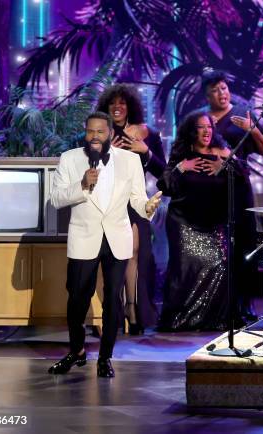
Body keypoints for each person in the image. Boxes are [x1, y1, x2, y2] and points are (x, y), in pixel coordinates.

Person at [48, 112, 162, 377]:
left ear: (110, 133)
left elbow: (136, 199)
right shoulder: (70, 159)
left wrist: (147, 207)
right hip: (84, 237)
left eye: (101, 132)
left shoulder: (130, 160)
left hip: (116, 238)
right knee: (77, 298)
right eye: (91, 132)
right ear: (85, 133)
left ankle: (104, 358)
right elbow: (56, 199)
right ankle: (76, 351)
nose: (95, 136)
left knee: (113, 300)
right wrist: (82, 185)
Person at [196, 70, 263, 321]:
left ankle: (244, 304)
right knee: (215, 247)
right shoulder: (201, 118)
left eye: (225, 88)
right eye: (216, 90)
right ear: (207, 94)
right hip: (209, 191)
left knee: (244, 246)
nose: (222, 93)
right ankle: (215, 305)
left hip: (238, 188)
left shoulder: (242, 112)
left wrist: (252, 129)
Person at [159, 112, 245, 331]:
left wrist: (225, 164)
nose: (207, 131)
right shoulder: (182, 155)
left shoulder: (222, 153)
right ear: (191, 130)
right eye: (201, 127)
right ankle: (180, 319)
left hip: (213, 224)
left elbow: (244, 176)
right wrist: (181, 168)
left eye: (209, 127)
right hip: (183, 222)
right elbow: (164, 185)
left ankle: (213, 319)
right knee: (185, 269)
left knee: (221, 264)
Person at [96, 84, 166, 335]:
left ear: (131, 107)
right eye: (113, 103)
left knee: (133, 252)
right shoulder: (99, 132)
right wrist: (106, 152)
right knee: (108, 256)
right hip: (104, 202)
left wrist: (145, 152)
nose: (117, 107)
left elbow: (164, 175)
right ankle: (109, 313)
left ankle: (132, 307)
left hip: (133, 202)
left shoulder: (146, 134)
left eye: (123, 102)